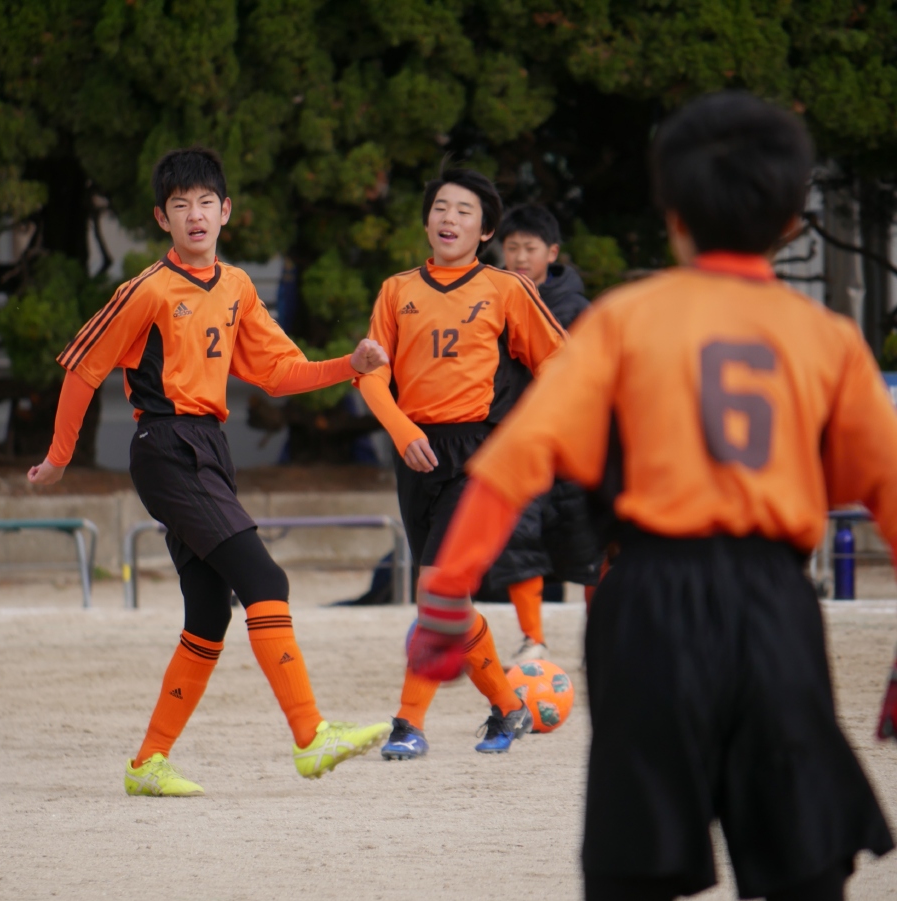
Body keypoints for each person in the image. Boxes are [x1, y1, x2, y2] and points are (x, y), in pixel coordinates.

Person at [410, 91, 894, 900]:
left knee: (634, 867)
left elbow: (512, 462)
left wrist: (444, 599)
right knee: (805, 860)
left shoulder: (623, 321)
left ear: (672, 214)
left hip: (646, 598)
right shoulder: (828, 339)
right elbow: (882, 485)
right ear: (790, 222)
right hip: (773, 599)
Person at [28, 147, 392, 797]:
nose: (194, 215)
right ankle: (310, 735)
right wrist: (59, 457)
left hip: (209, 448)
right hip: (166, 446)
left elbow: (279, 372)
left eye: (204, 202)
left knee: (208, 613)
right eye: (179, 205)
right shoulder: (146, 289)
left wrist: (350, 365)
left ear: (226, 211)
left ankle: (147, 763)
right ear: (161, 218)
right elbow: (83, 368)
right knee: (265, 578)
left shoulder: (238, 286)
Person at [355, 165, 566, 760]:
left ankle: (408, 723)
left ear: (485, 230)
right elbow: (370, 375)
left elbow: (560, 363)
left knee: (436, 590)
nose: (449, 218)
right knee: (448, 599)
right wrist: (402, 431)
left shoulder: (507, 289)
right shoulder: (396, 290)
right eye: (440, 208)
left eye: (464, 211)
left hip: (478, 455)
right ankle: (508, 706)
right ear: (427, 222)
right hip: (415, 453)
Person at [499, 205, 605, 618]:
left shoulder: (577, 309)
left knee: (588, 549)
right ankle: (532, 638)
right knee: (521, 546)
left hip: (568, 445)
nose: (521, 257)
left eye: (530, 248)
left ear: (552, 252)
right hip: (515, 440)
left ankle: (600, 630)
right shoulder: (491, 301)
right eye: (512, 248)